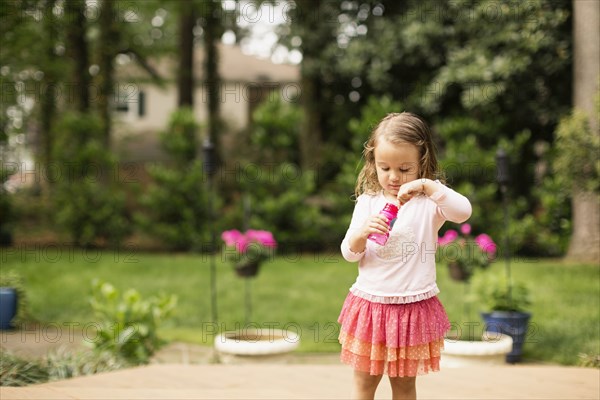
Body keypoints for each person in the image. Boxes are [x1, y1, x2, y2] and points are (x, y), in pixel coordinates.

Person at [338, 112, 472, 400]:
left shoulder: (429, 204)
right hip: (371, 307)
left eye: (405, 169)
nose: (394, 177)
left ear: (422, 163)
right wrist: (361, 234)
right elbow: (349, 253)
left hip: (412, 308)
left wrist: (429, 186)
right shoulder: (367, 202)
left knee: (403, 386)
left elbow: (463, 212)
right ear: (373, 162)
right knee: (364, 384)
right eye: (385, 167)